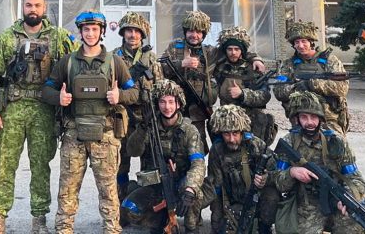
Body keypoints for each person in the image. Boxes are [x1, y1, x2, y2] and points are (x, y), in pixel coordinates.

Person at [0, 0, 77, 234]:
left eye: (37, 5)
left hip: (44, 111)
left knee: (41, 166)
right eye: (28, 5)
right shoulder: (8, 37)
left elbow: (76, 63)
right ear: (22, 7)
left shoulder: (58, 37)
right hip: (12, 109)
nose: (32, 9)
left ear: (44, 9)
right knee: (5, 165)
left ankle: (39, 219)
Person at [41, 10, 138, 234]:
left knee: (108, 190)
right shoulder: (67, 62)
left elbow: (135, 92)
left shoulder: (115, 62)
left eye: (95, 29)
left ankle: (111, 229)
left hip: (105, 135)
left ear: (102, 32)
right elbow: (46, 90)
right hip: (74, 134)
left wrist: (120, 96)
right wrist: (58, 98)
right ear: (81, 32)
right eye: (86, 29)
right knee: (67, 190)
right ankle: (64, 229)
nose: (91, 33)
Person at [162, 11, 265, 152]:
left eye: (199, 32)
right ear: (185, 32)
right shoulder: (174, 47)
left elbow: (235, 49)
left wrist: (255, 58)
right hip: (173, 108)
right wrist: (181, 64)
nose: (194, 35)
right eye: (191, 31)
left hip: (197, 111)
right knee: (174, 146)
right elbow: (159, 67)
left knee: (197, 146)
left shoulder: (210, 52)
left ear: (203, 34)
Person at [274, 91, 365, 234]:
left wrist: (348, 197)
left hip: (337, 201)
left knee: (359, 225)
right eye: (304, 117)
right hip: (307, 204)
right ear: (297, 119)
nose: (309, 122)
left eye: (313, 117)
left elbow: (356, 178)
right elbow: (277, 181)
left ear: (320, 119)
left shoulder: (336, 142)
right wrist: (292, 172)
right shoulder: (289, 142)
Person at [121, 79, 205, 234]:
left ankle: (191, 227)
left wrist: (190, 188)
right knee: (129, 210)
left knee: (195, 195)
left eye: (171, 102)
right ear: (157, 104)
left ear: (178, 104)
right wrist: (142, 128)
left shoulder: (189, 130)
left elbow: (198, 163)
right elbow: (133, 151)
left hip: (180, 184)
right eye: (162, 102)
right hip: (154, 186)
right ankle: (158, 219)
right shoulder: (149, 126)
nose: (167, 107)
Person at [202, 104, 279, 234]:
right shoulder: (217, 149)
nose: (232, 139)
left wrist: (266, 178)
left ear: (242, 131)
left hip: (258, 200)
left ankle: (264, 227)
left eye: (235, 133)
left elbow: (277, 173)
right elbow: (216, 185)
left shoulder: (256, 145)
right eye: (226, 134)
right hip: (234, 202)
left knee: (272, 195)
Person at [112, 11, 162, 200]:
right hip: (121, 117)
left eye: (137, 31)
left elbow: (160, 88)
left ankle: (145, 204)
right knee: (120, 165)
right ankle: (120, 203)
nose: (132, 35)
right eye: (129, 30)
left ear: (142, 34)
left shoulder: (152, 59)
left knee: (149, 165)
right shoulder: (113, 58)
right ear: (123, 33)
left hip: (146, 119)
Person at [273, 20, 349, 134]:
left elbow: (342, 88)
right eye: (297, 42)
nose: (300, 45)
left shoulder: (330, 60)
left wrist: (312, 84)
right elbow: (278, 91)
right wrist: (297, 87)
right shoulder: (288, 64)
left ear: (311, 42)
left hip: (328, 117)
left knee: (335, 143)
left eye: (304, 41)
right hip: (301, 118)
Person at [213, 27, 276, 145]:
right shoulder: (220, 67)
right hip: (228, 122)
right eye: (229, 49)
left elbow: (265, 96)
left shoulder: (253, 68)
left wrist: (243, 94)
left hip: (251, 121)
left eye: (237, 49)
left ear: (242, 50)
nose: (233, 53)